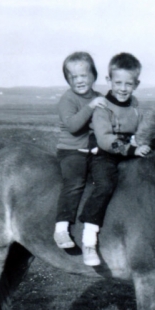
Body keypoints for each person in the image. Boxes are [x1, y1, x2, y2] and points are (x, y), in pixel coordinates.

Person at [78, 52, 151, 266]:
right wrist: (131, 150)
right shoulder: (102, 106)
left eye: (128, 84)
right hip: (104, 154)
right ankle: (89, 239)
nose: (122, 88)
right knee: (105, 185)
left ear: (136, 84)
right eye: (118, 82)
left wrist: (144, 143)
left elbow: (140, 128)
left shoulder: (135, 105)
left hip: (127, 152)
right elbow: (104, 139)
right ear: (109, 80)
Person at [53, 52, 109, 249]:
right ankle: (61, 228)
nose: (78, 80)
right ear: (67, 80)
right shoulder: (68, 99)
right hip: (71, 150)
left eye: (83, 75)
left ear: (93, 75)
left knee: (108, 178)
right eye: (73, 77)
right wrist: (91, 107)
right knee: (75, 181)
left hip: (95, 151)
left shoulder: (100, 97)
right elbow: (73, 126)